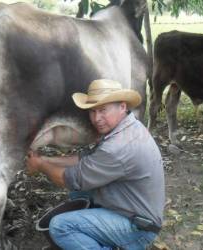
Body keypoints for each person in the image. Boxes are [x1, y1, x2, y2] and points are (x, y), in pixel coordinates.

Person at [25, 79, 165, 250]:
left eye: (103, 110)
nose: (97, 118)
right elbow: (86, 158)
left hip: (137, 229)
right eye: (93, 111)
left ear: (122, 106)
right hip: (136, 212)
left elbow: (69, 179)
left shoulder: (118, 147)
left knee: (60, 226)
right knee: (79, 196)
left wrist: (40, 165)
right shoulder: (128, 127)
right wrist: (46, 159)